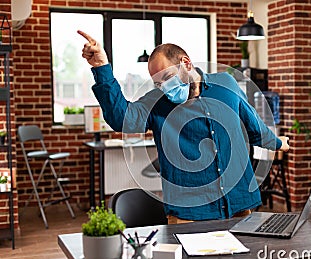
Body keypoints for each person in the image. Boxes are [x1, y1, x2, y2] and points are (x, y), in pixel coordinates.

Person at [78, 30, 290, 224]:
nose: (164, 87)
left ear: (186, 63)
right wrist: (101, 67)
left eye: (168, 77)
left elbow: (251, 122)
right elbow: (121, 118)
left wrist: (278, 143)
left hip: (239, 203)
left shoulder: (226, 83)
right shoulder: (157, 102)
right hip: (189, 212)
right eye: (158, 83)